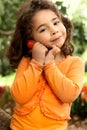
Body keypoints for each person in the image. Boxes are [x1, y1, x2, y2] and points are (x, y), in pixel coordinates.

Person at [6, 0, 84, 130]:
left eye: (55, 22)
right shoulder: (27, 61)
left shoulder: (75, 63)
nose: (54, 30)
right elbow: (19, 96)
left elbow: (68, 95)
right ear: (31, 39)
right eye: (43, 29)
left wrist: (49, 65)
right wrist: (36, 64)